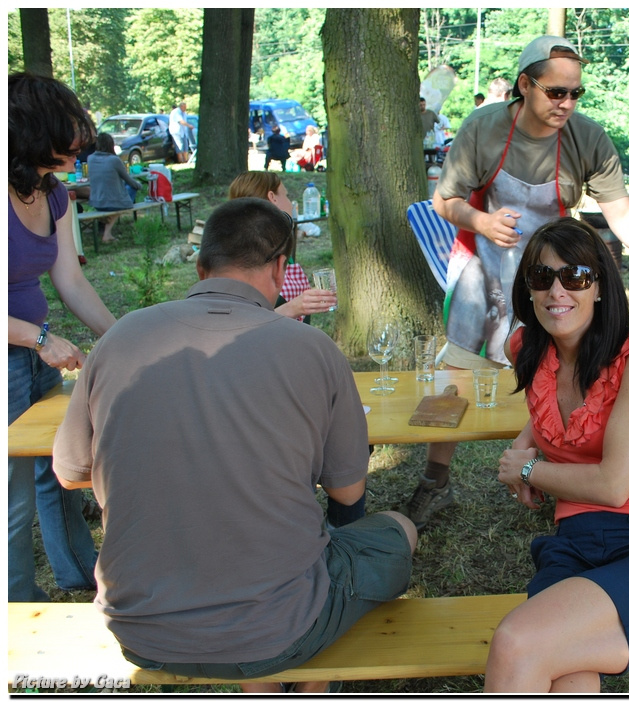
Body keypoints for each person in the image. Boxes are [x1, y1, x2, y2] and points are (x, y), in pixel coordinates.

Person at [52, 198, 417, 693]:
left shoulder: (119, 339)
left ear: (202, 266)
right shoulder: (312, 349)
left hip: (138, 629)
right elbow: (349, 496)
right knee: (399, 529)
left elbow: (71, 472)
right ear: (281, 267)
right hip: (278, 629)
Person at [402, 35, 629, 530]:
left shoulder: (587, 139)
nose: (567, 104)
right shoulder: (483, 130)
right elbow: (445, 201)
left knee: (566, 378)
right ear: (524, 85)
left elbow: (618, 211)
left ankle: (564, 476)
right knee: (454, 383)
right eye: (556, 92)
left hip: (555, 286)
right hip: (483, 274)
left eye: (576, 93)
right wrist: (482, 221)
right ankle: (434, 481)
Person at [483, 217, 629, 692]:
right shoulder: (525, 346)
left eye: (576, 277)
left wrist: (527, 468)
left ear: (601, 287)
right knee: (568, 676)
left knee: (515, 643)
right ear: (529, 288)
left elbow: (613, 485)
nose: (556, 291)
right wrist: (526, 441)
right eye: (542, 277)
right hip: (574, 548)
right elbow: (554, 408)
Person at [8, 72, 118, 602]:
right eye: (69, 145)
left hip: (32, 351)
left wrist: (123, 338)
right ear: (31, 134)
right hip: (17, 350)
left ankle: (79, 575)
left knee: (58, 467)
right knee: (12, 497)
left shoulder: (54, 195)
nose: (79, 157)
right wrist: (38, 338)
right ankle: (17, 613)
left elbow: (70, 279)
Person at [228, 171, 337, 322]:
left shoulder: (276, 241)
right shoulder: (246, 251)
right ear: (273, 198)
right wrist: (293, 308)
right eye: (286, 195)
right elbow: (243, 323)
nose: (290, 203)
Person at [87, 132, 143, 243]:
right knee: (130, 189)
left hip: (96, 200)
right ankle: (107, 235)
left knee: (114, 194)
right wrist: (139, 185)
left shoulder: (90, 158)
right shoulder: (114, 160)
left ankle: (106, 232)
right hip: (113, 202)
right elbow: (128, 180)